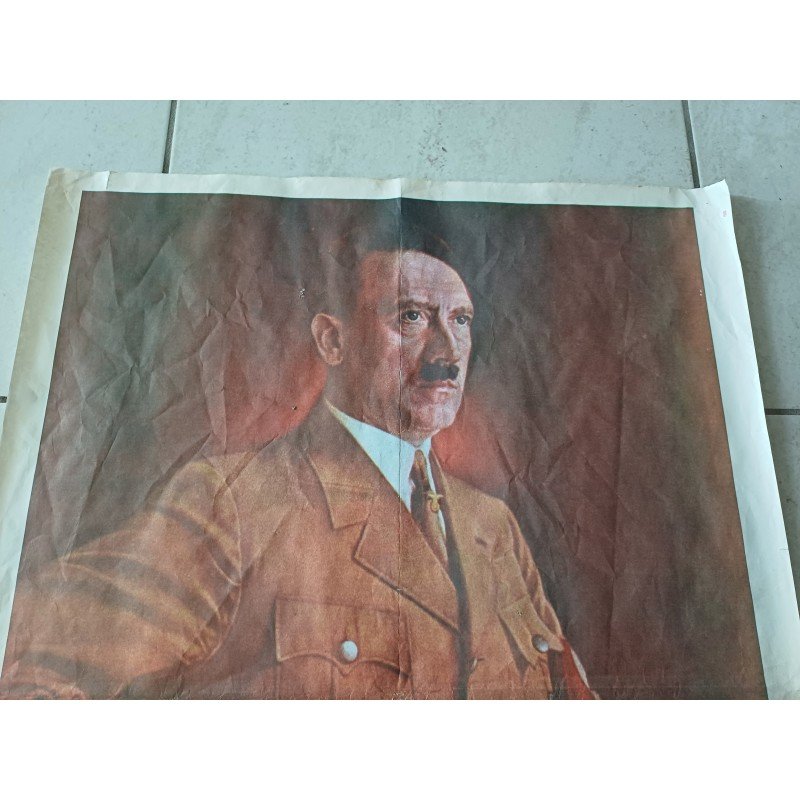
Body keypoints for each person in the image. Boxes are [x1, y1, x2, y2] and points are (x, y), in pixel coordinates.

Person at [0, 242, 594, 699]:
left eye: (461, 320)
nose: (448, 353)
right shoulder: (234, 501)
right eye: (412, 317)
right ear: (333, 341)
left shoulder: (494, 528)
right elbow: (39, 672)